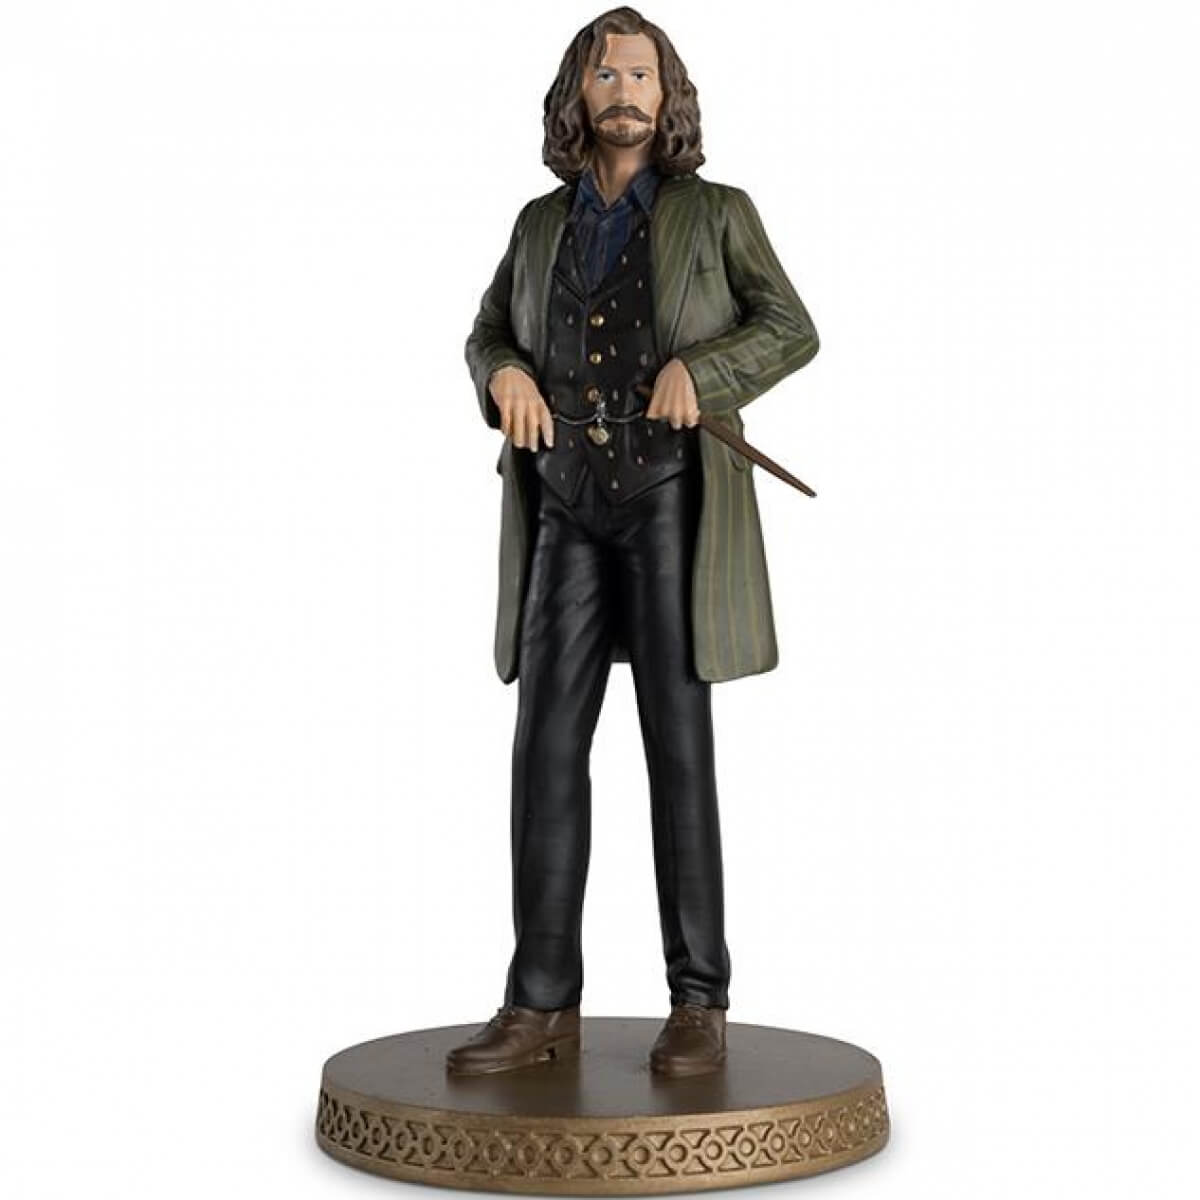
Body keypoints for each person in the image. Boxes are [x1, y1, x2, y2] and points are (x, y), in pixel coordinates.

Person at [446, 6, 819, 1078]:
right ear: (580, 91)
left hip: (669, 497)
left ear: (669, 94)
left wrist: (704, 371)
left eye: (642, 74)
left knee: (676, 743)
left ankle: (699, 998)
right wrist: (503, 375)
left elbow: (791, 327)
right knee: (544, 745)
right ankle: (538, 1005)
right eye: (606, 73)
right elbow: (489, 331)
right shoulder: (537, 225)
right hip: (563, 498)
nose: (624, 91)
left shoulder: (718, 213)